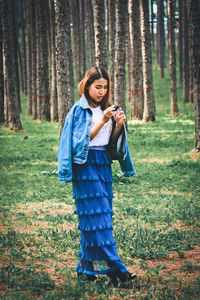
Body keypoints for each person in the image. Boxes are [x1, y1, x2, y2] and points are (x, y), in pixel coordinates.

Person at [58, 66, 136, 287]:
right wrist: (102, 121)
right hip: (85, 167)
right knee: (98, 221)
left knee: (96, 221)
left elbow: (109, 144)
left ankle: (85, 269)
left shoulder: (107, 109)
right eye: (97, 86)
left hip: (103, 165)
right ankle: (117, 270)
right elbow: (78, 144)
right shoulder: (79, 111)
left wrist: (118, 126)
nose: (101, 91)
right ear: (87, 86)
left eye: (105, 87)